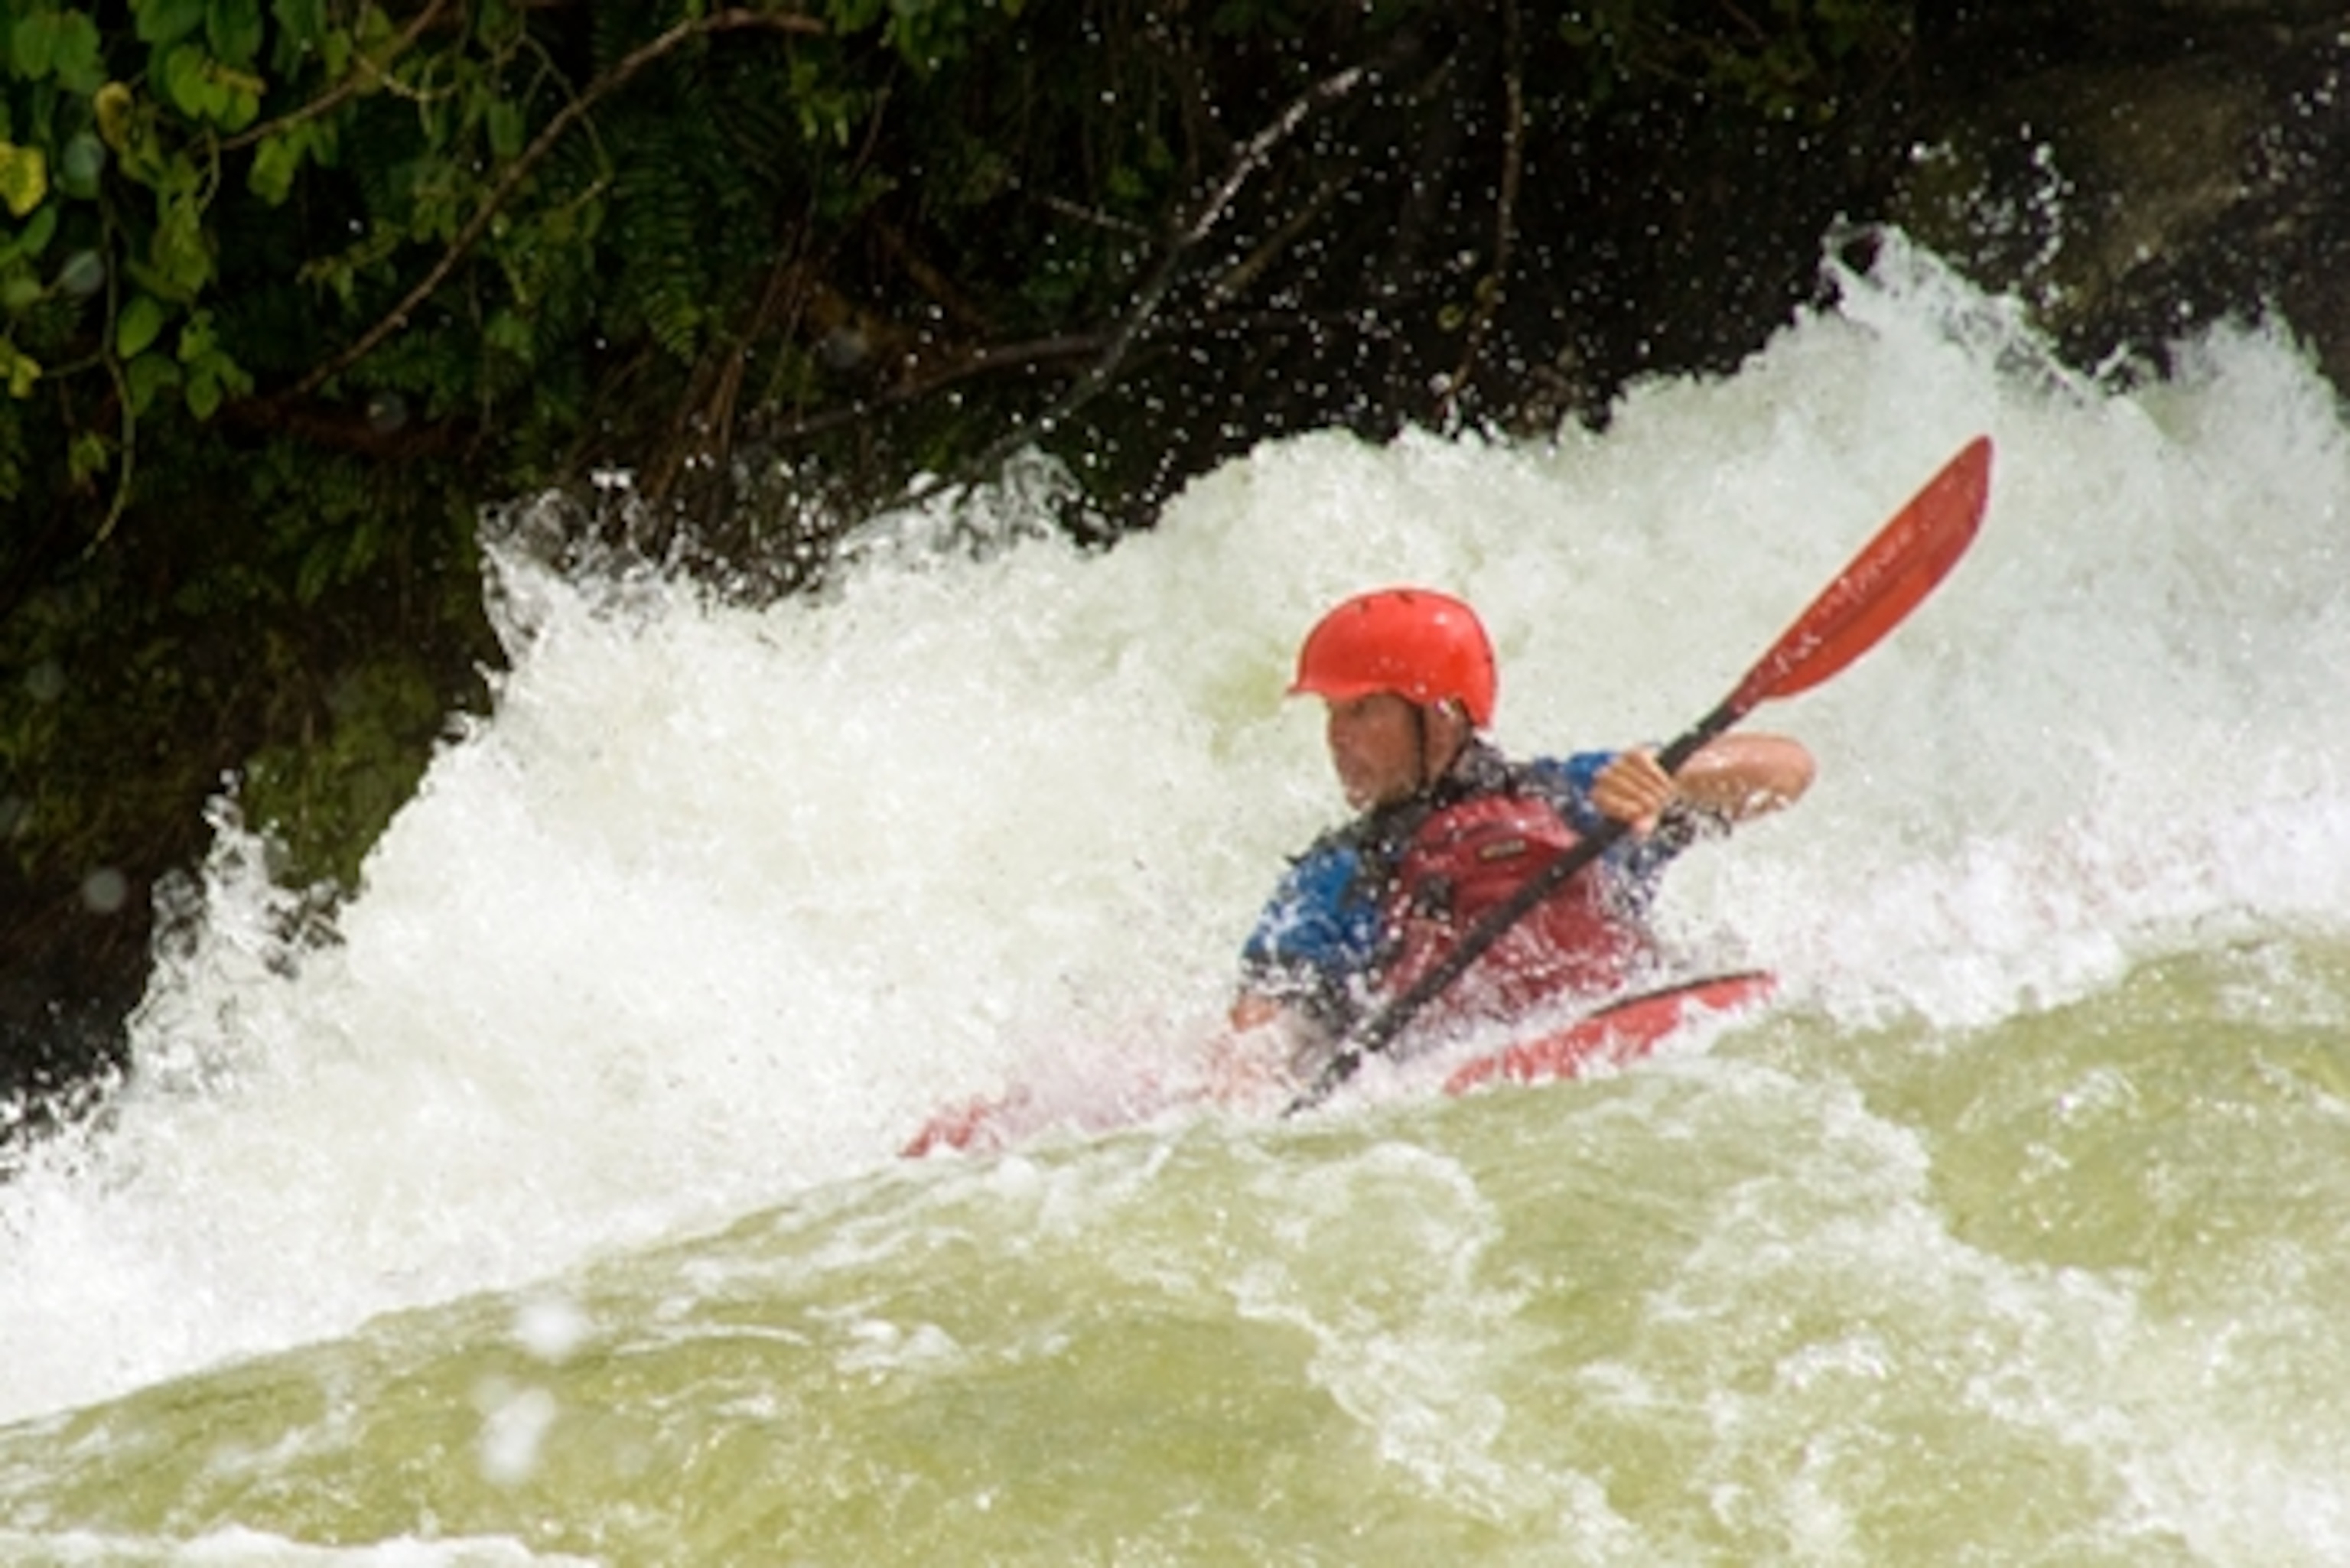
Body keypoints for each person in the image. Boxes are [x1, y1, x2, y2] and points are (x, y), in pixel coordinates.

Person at [1222, 585, 1814, 1091]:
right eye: (1332, 713)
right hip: (1441, 1079)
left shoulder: (1575, 796)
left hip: (1619, 1029)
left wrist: (1668, 781)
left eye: (1362, 712)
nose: (1337, 738)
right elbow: (1258, 1036)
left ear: (1440, 716)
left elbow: (1788, 767)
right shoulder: (1337, 875)